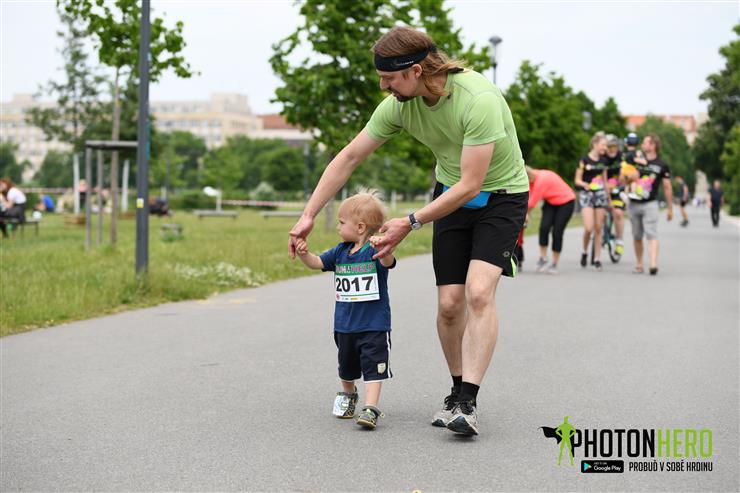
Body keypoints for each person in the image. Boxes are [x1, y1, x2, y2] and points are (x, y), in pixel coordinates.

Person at [288, 26, 529, 436]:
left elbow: (473, 184)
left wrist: (411, 221)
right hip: (450, 193)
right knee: (450, 304)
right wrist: (309, 213)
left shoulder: (479, 99)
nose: (384, 87)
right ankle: (456, 390)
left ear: (416, 71)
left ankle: (468, 402)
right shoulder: (399, 106)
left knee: (478, 292)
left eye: (389, 79)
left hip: (501, 197)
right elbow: (349, 156)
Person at [294, 191, 396, 429]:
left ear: (360, 227)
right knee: (346, 366)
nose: (338, 227)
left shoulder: (375, 251)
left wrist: (386, 249)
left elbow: (388, 262)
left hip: (374, 325)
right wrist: (304, 254)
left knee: (373, 366)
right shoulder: (340, 252)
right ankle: (349, 394)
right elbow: (317, 263)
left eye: (342, 222)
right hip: (345, 325)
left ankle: (371, 408)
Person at [624, 134, 673, 275]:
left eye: (645, 143)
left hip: (650, 203)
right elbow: (624, 178)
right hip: (634, 203)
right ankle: (639, 264)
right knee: (637, 235)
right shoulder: (635, 160)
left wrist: (670, 208)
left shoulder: (662, 165)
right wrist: (629, 177)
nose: (642, 145)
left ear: (653, 145)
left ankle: (653, 263)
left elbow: (667, 187)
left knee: (651, 233)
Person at [525, 166, 576, 274]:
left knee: (557, 232)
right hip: (551, 202)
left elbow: (532, 202)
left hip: (566, 202)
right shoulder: (533, 178)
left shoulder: (541, 179)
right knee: (543, 228)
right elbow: (529, 196)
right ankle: (543, 258)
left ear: (530, 176)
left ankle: (554, 263)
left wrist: (526, 215)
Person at [574, 132, 609, 271]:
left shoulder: (604, 161)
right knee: (589, 228)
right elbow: (577, 180)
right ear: (595, 144)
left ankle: (597, 259)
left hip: (600, 195)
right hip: (587, 194)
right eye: (603, 145)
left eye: (606, 145)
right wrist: (585, 184)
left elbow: (605, 181)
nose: (605, 148)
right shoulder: (584, 160)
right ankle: (584, 251)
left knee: (598, 228)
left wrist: (609, 200)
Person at [603, 134, 626, 257]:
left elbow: (624, 173)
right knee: (599, 214)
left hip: (617, 188)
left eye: (614, 147)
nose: (612, 150)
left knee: (618, 213)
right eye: (609, 147)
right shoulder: (602, 157)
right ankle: (601, 234)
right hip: (603, 188)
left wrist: (622, 179)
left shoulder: (621, 157)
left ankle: (619, 241)